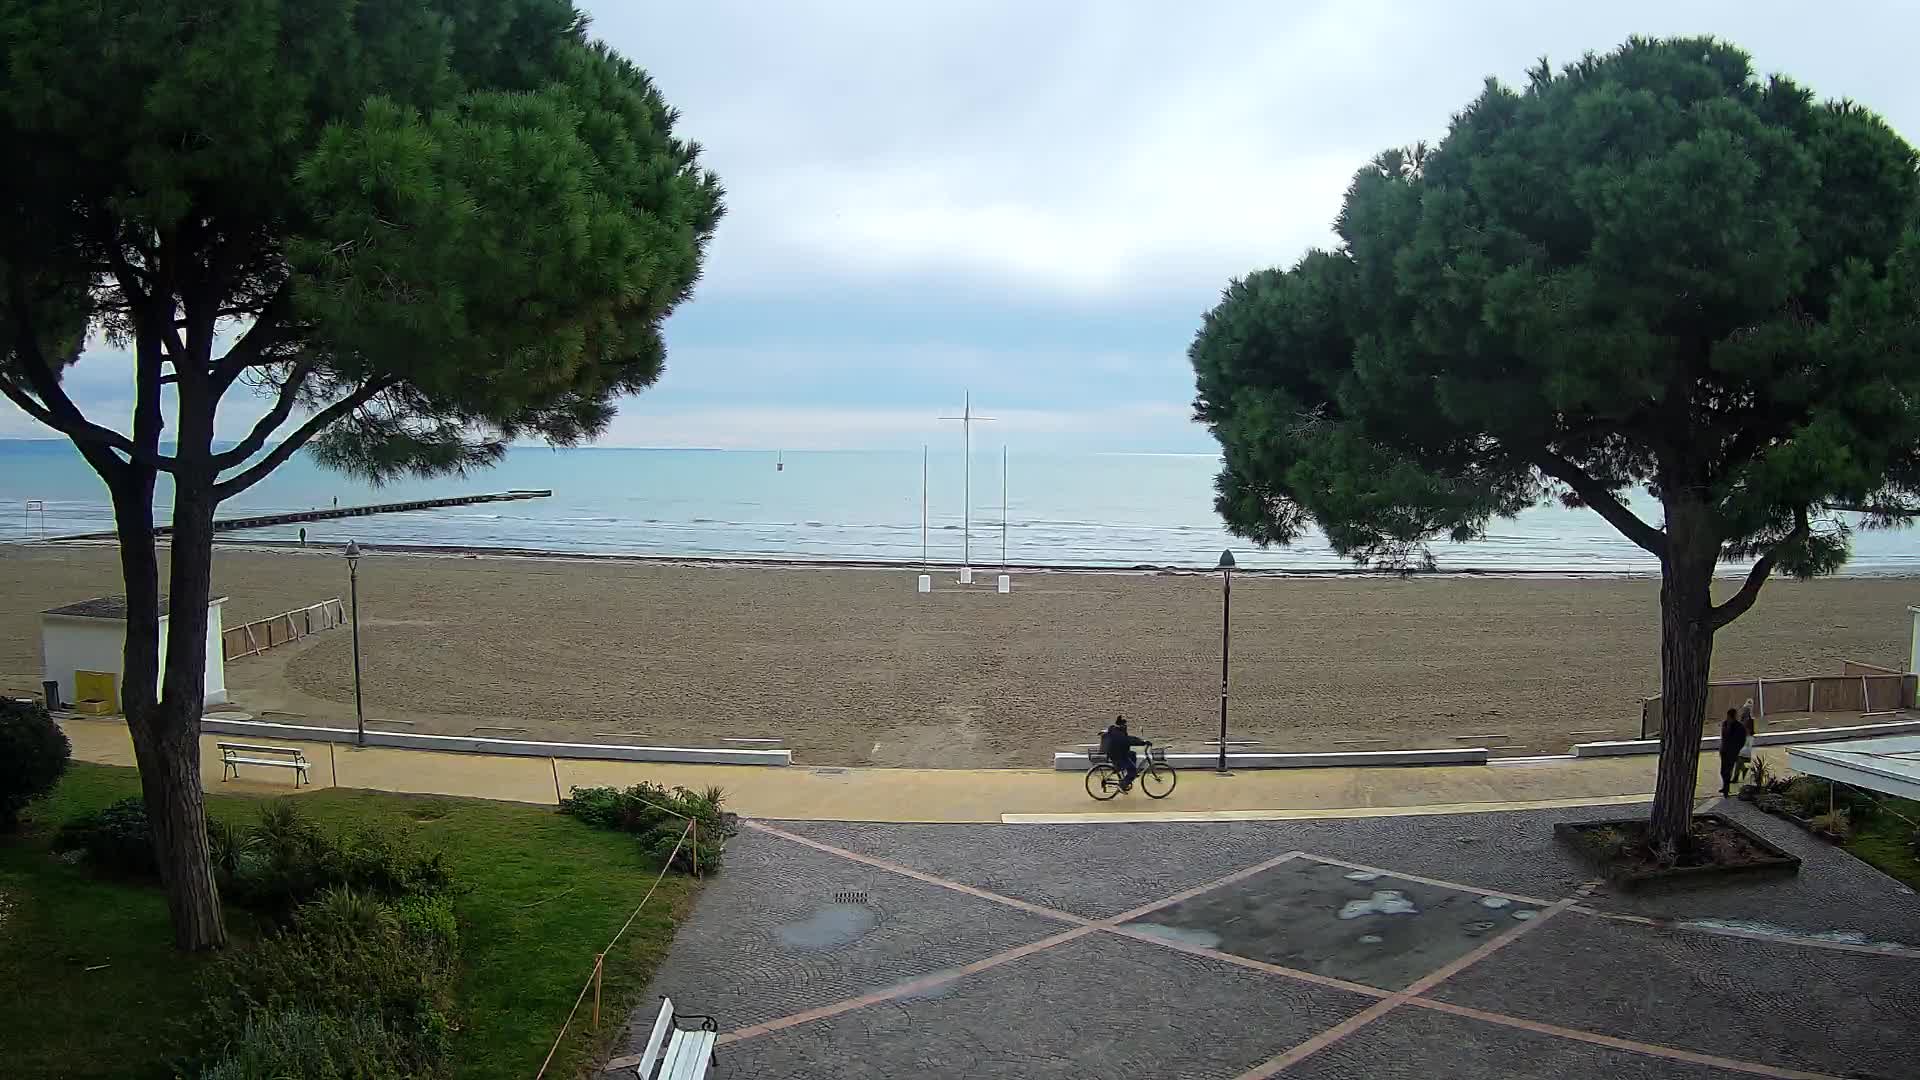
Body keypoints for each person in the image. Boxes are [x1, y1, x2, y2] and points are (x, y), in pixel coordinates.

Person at [1101, 715, 1150, 789]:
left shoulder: (1114, 730)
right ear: (1122, 726)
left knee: (1133, 754)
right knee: (1133, 771)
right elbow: (1129, 740)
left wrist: (1140, 740)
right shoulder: (1120, 734)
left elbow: (1129, 738)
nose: (1126, 726)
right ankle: (1122, 785)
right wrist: (1142, 742)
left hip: (1115, 753)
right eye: (1125, 725)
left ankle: (1127, 773)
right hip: (1118, 756)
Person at [1719, 706, 1750, 795]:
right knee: (1723, 771)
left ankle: (1726, 789)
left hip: (1732, 752)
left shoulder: (1739, 727)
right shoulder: (1725, 724)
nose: (1728, 718)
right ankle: (1725, 787)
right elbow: (1723, 737)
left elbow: (1742, 740)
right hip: (1724, 750)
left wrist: (1736, 749)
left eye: (1729, 716)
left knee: (1727, 771)